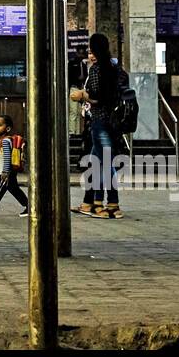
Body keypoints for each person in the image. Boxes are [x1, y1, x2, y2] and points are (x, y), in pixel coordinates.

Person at [69, 32, 124, 219]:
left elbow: (96, 97)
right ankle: (90, 203)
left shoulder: (96, 70)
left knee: (106, 163)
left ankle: (112, 206)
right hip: (111, 121)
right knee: (95, 162)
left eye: (92, 51)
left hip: (99, 121)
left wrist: (81, 95)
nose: (90, 56)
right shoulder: (114, 68)